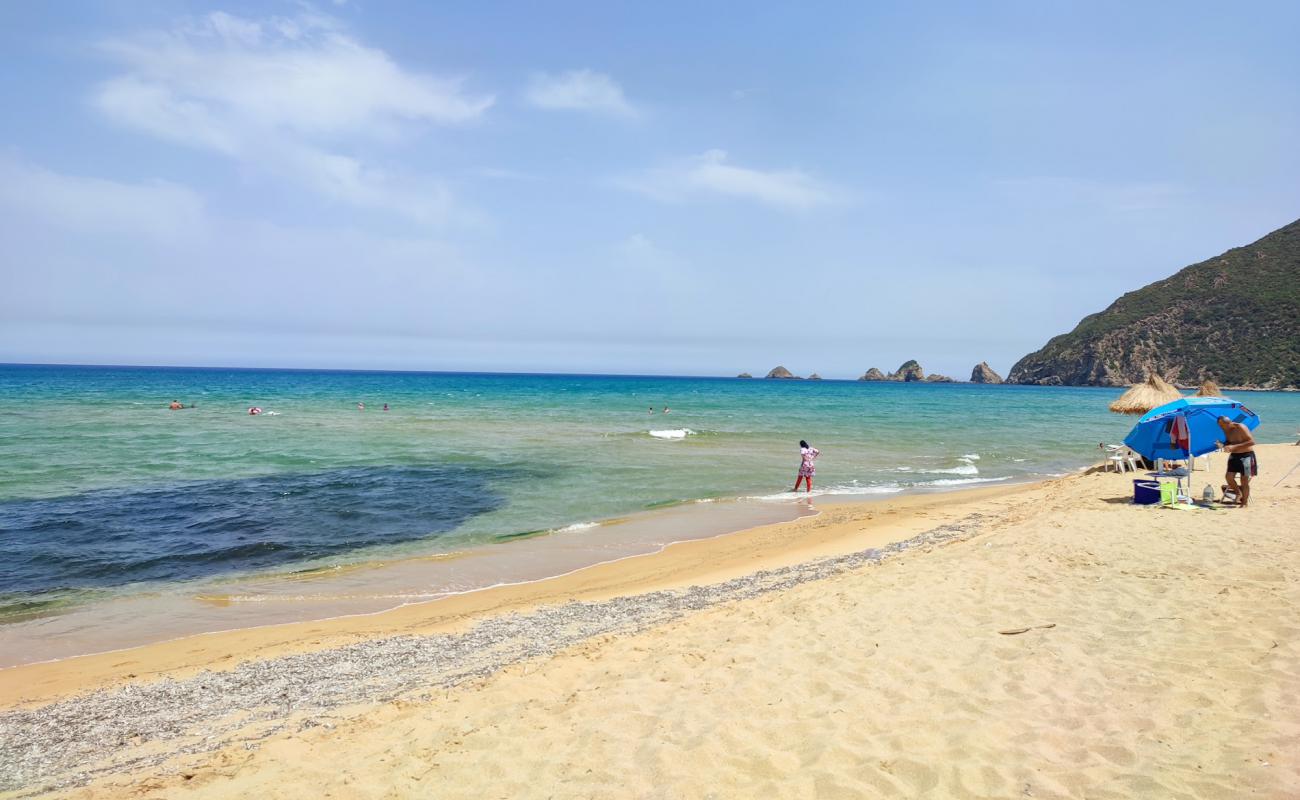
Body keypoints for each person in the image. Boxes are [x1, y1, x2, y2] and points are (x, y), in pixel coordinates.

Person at [1216, 416, 1257, 508]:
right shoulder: (1226, 430)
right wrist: (1223, 445)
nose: (1221, 427)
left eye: (1222, 425)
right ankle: (1239, 493)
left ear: (1228, 423)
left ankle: (1244, 503)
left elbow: (1251, 442)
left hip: (1246, 455)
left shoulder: (1241, 427)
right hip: (1234, 456)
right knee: (1228, 477)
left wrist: (1233, 447)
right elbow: (1230, 441)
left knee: (1244, 480)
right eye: (1220, 425)